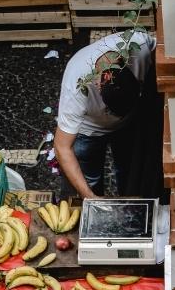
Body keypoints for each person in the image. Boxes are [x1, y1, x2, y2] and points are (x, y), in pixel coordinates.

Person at [53, 29, 159, 200]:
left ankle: (129, 208)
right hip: (89, 131)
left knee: (129, 174)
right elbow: (62, 147)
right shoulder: (76, 85)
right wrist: (89, 196)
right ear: (99, 83)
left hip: (128, 125)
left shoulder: (139, 45)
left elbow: (160, 54)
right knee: (91, 180)